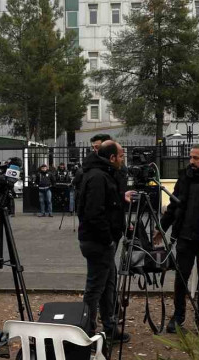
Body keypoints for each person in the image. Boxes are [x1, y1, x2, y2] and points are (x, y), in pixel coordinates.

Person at [157, 144, 199, 333]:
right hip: (184, 235)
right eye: (191, 157)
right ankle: (178, 317)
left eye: (196, 158)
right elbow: (174, 203)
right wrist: (162, 228)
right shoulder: (185, 176)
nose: (192, 161)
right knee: (181, 277)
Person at [77, 140, 130, 343]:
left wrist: (121, 227)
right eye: (121, 156)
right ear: (112, 158)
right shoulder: (98, 177)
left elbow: (112, 207)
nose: (123, 160)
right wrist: (108, 238)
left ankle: (110, 328)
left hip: (103, 241)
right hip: (98, 242)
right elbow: (94, 213)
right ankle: (86, 333)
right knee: (95, 288)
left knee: (108, 285)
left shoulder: (105, 174)